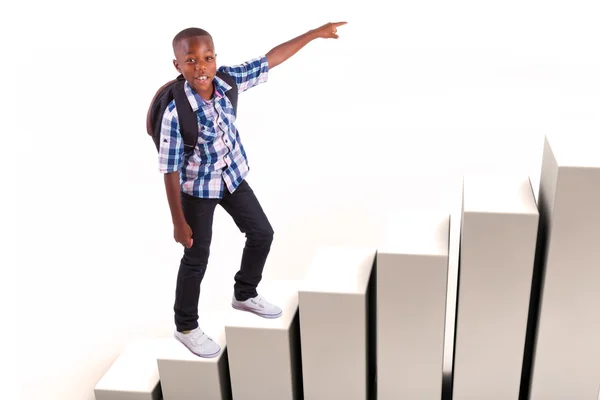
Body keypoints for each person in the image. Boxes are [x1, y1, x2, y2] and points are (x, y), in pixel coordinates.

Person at [158, 21, 347, 357]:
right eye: (190, 61)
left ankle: (244, 293)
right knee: (196, 257)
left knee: (262, 233)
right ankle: (185, 326)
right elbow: (170, 170)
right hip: (197, 189)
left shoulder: (227, 81)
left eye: (207, 58)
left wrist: (314, 33)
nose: (201, 67)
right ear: (177, 64)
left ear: (216, 59)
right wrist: (178, 222)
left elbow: (271, 58)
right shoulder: (176, 113)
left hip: (231, 176)